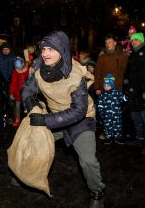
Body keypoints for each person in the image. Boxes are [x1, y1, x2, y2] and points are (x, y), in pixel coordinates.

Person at [21, 31, 106, 208]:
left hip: (81, 121)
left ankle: (98, 192)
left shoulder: (76, 75)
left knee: (88, 161)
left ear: (62, 50)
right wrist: (32, 105)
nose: (45, 53)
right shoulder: (39, 68)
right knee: (33, 143)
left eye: (50, 49)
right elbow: (27, 90)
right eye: (43, 49)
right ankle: (25, 176)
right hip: (54, 115)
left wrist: (45, 121)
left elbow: (78, 111)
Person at [125, 32, 145, 152]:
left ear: (142, 40)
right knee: (135, 115)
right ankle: (140, 138)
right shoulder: (132, 54)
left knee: (144, 116)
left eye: (136, 40)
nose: (133, 42)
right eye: (132, 40)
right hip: (133, 91)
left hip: (142, 91)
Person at [97, 74, 127, 145]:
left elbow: (122, 99)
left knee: (118, 125)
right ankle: (109, 137)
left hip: (117, 114)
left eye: (108, 86)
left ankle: (118, 137)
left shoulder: (117, 93)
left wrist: (127, 97)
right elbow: (100, 104)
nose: (106, 87)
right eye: (105, 86)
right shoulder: (102, 95)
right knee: (108, 126)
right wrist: (101, 112)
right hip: (107, 115)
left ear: (112, 85)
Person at [9, 56, 29, 127]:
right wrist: (11, 93)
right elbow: (13, 83)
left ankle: (29, 121)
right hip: (18, 93)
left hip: (27, 92)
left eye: (20, 68)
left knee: (28, 106)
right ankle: (17, 120)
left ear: (23, 64)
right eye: (17, 68)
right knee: (17, 107)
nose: (19, 69)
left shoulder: (28, 70)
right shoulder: (15, 72)